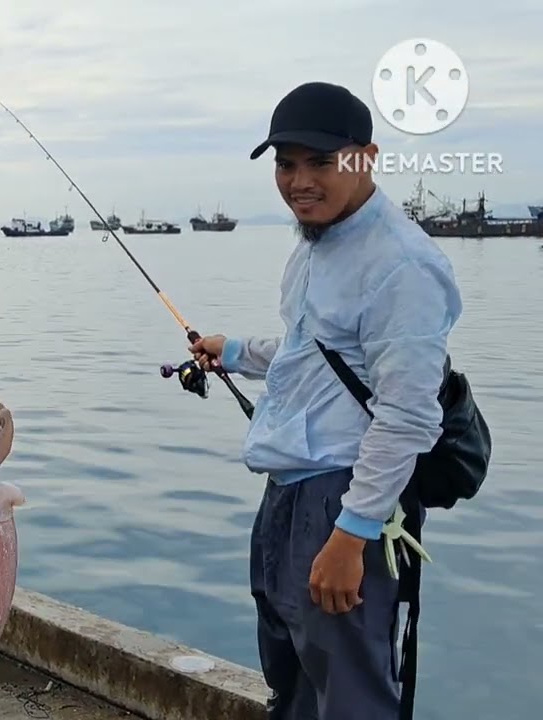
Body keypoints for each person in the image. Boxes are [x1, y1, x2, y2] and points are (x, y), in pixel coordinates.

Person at [189, 82, 462, 719]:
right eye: (287, 163)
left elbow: (407, 415)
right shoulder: (315, 243)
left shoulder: (402, 265)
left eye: (320, 162)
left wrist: (352, 536)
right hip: (287, 493)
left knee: (350, 692)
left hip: (346, 499)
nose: (299, 181)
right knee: (291, 679)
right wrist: (233, 352)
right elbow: (308, 351)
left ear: (364, 158)